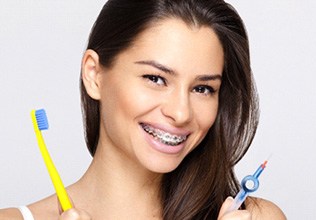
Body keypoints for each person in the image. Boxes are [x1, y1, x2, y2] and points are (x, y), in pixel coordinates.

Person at [0, 0, 286, 219]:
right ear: (94, 75)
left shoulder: (255, 216)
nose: (181, 113)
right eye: (156, 79)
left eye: (203, 89)